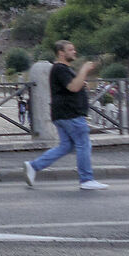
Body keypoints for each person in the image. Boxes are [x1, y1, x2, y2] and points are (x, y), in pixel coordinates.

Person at [25, 39, 104, 191]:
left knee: (66, 146)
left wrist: (82, 82)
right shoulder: (60, 68)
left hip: (63, 114)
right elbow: (73, 87)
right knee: (83, 144)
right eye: (70, 50)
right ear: (61, 53)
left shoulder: (63, 69)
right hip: (70, 114)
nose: (74, 52)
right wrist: (84, 70)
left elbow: (72, 85)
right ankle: (86, 179)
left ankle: (34, 166)